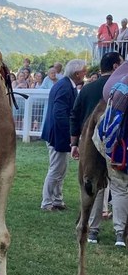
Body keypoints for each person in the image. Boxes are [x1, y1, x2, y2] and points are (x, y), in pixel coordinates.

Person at [70, 51, 122, 243]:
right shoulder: (121, 88)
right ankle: (120, 231)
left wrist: (74, 143)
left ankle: (92, 228)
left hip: (87, 142)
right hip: (115, 142)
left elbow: (75, 115)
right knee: (118, 186)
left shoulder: (88, 88)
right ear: (116, 66)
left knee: (93, 184)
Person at [40, 59, 87, 211]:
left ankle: (57, 200)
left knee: (60, 169)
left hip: (58, 134)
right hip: (58, 135)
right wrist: (71, 134)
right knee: (56, 169)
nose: (85, 73)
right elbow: (60, 115)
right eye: (84, 71)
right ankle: (47, 202)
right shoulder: (65, 87)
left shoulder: (65, 85)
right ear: (77, 73)